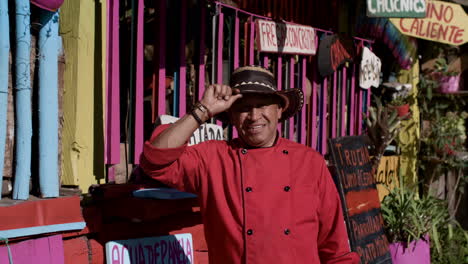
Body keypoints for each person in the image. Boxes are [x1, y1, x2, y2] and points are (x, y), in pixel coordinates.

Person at [140, 65, 359, 264]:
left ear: (279, 110)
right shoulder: (214, 158)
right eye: (244, 108)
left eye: (263, 105)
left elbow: (336, 248)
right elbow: (156, 159)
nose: (254, 116)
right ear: (232, 116)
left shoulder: (309, 162)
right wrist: (203, 110)